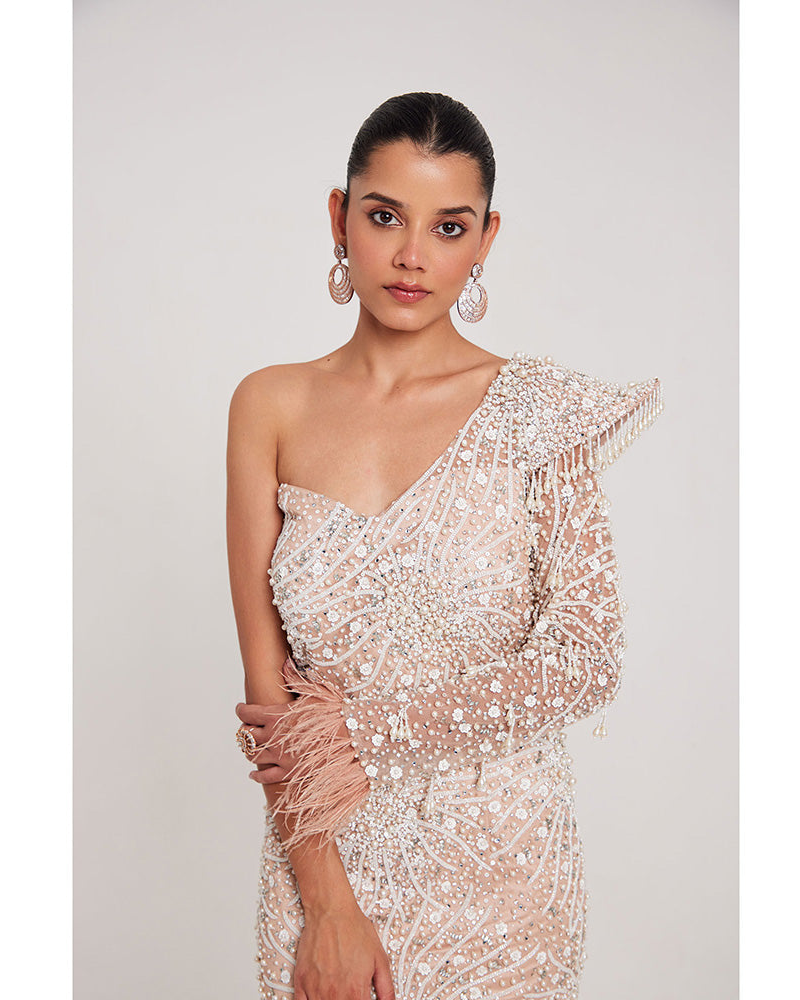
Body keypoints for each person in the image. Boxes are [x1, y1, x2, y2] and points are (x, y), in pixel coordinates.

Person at [227, 91, 663, 1000]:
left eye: (449, 226)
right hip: (325, 866)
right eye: (386, 216)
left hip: (504, 880)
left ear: (486, 238)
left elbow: (585, 659)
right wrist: (329, 905)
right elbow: (271, 701)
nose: (413, 256)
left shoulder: (537, 412)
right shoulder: (270, 406)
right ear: (340, 218)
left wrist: (364, 730)